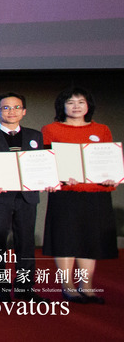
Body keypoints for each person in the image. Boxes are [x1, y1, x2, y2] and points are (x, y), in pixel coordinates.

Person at [0, 92, 51, 304]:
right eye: (6, 108)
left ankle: (25, 287)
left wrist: (45, 179)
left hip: (27, 197)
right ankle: (0, 287)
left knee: (26, 243)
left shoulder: (35, 136)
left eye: (16, 107)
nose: (11, 111)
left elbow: (40, 164)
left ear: (23, 111)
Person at [42, 88, 118, 304]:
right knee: (65, 239)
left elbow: (109, 160)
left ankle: (87, 286)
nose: (76, 106)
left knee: (90, 239)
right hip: (66, 194)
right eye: (70, 102)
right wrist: (58, 176)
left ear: (88, 105)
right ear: (62, 106)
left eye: (81, 102)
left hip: (96, 193)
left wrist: (112, 177)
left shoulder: (101, 129)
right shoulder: (51, 129)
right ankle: (68, 286)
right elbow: (45, 160)